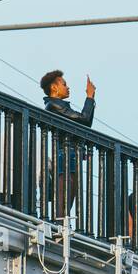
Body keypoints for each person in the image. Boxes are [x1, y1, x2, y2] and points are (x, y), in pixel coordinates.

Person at [39, 69, 95, 216]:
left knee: (68, 198)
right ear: (54, 87)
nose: (67, 87)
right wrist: (89, 97)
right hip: (65, 158)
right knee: (64, 200)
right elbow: (84, 120)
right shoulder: (54, 105)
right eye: (64, 84)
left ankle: (61, 226)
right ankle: (59, 228)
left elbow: (84, 122)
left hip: (70, 157)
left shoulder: (60, 106)